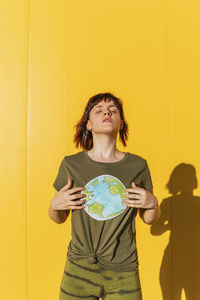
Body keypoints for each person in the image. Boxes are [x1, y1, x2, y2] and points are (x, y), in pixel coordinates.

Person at [48, 92, 160, 300]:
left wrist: (153, 203)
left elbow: (148, 218)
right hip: (78, 267)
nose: (107, 112)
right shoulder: (71, 165)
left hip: (123, 268)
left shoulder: (138, 166)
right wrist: (54, 205)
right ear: (89, 124)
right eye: (98, 110)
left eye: (113, 110)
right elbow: (59, 217)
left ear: (121, 123)